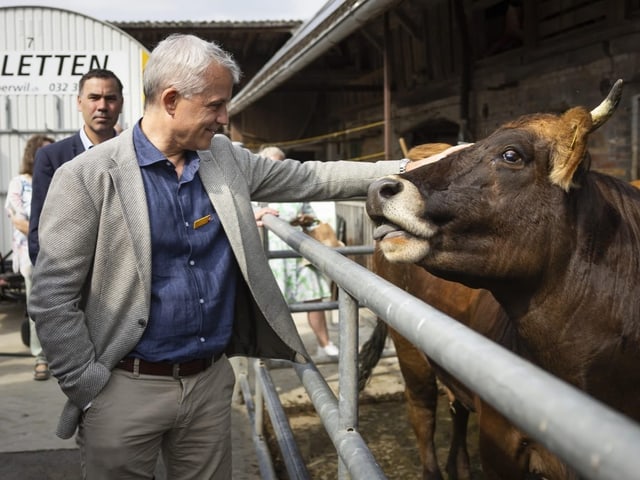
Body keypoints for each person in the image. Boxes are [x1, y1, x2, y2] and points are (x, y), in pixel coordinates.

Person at [28, 33, 450, 479]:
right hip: (124, 388)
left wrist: (411, 169)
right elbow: (52, 295)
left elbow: (310, 178)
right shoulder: (85, 177)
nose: (225, 117)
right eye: (215, 105)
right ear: (171, 100)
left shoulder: (222, 158)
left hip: (209, 385)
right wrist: (89, 386)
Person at [28, 68, 124, 264]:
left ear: (121, 103)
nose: (102, 106)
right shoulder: (52, 157)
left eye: (111, 98)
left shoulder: (137, 155)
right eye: (94, 97)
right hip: (71, 276)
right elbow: (39, 230)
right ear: (79, 102)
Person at [254, 146, 339, 358]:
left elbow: (313, 219)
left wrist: (308, 221)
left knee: (314, 298)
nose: (278, 169)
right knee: (271, 306)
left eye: (281, 164)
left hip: (299, 253)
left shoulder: (294, 190)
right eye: (273, 164)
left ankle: (324, 344)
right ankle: (276, 352)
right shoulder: (254, 190)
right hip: (269, 255)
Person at [5, 134, 55, 380]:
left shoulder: (58, 179)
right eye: (44, 152)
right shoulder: (19, 183)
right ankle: (40, 356)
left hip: (60, 251)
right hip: (32, 255)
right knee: (37, 307)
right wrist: (51, 234)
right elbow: (20, 221)